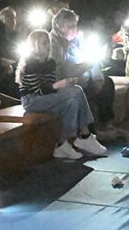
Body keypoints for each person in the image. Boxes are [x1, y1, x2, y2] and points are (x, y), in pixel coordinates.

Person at [17, 29, 108, 160]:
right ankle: (84, 136)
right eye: (44, 44)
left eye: (48, 43)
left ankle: (63, 144)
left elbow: (50, 86)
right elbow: (37, 90)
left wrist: (65, 84)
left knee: (72, 98)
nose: (48, 46)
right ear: (35, 46)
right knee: (75, 92)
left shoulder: (50, 62)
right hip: (31, 100)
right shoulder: (30, 64)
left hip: (45, 96)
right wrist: (60, 85)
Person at [48, 9, 116, 130]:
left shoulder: (75, 40)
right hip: (65, 83)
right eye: (71, 26)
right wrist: (86, 66)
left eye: (75, 25)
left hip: (82, 77)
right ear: (59, 26)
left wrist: (97, 78)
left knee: (107, 83)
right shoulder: (53, 45)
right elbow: (64, 72)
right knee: (81, 95)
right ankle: (91, 133)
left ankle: (107, 123)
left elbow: (91, 57)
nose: (74, 29)